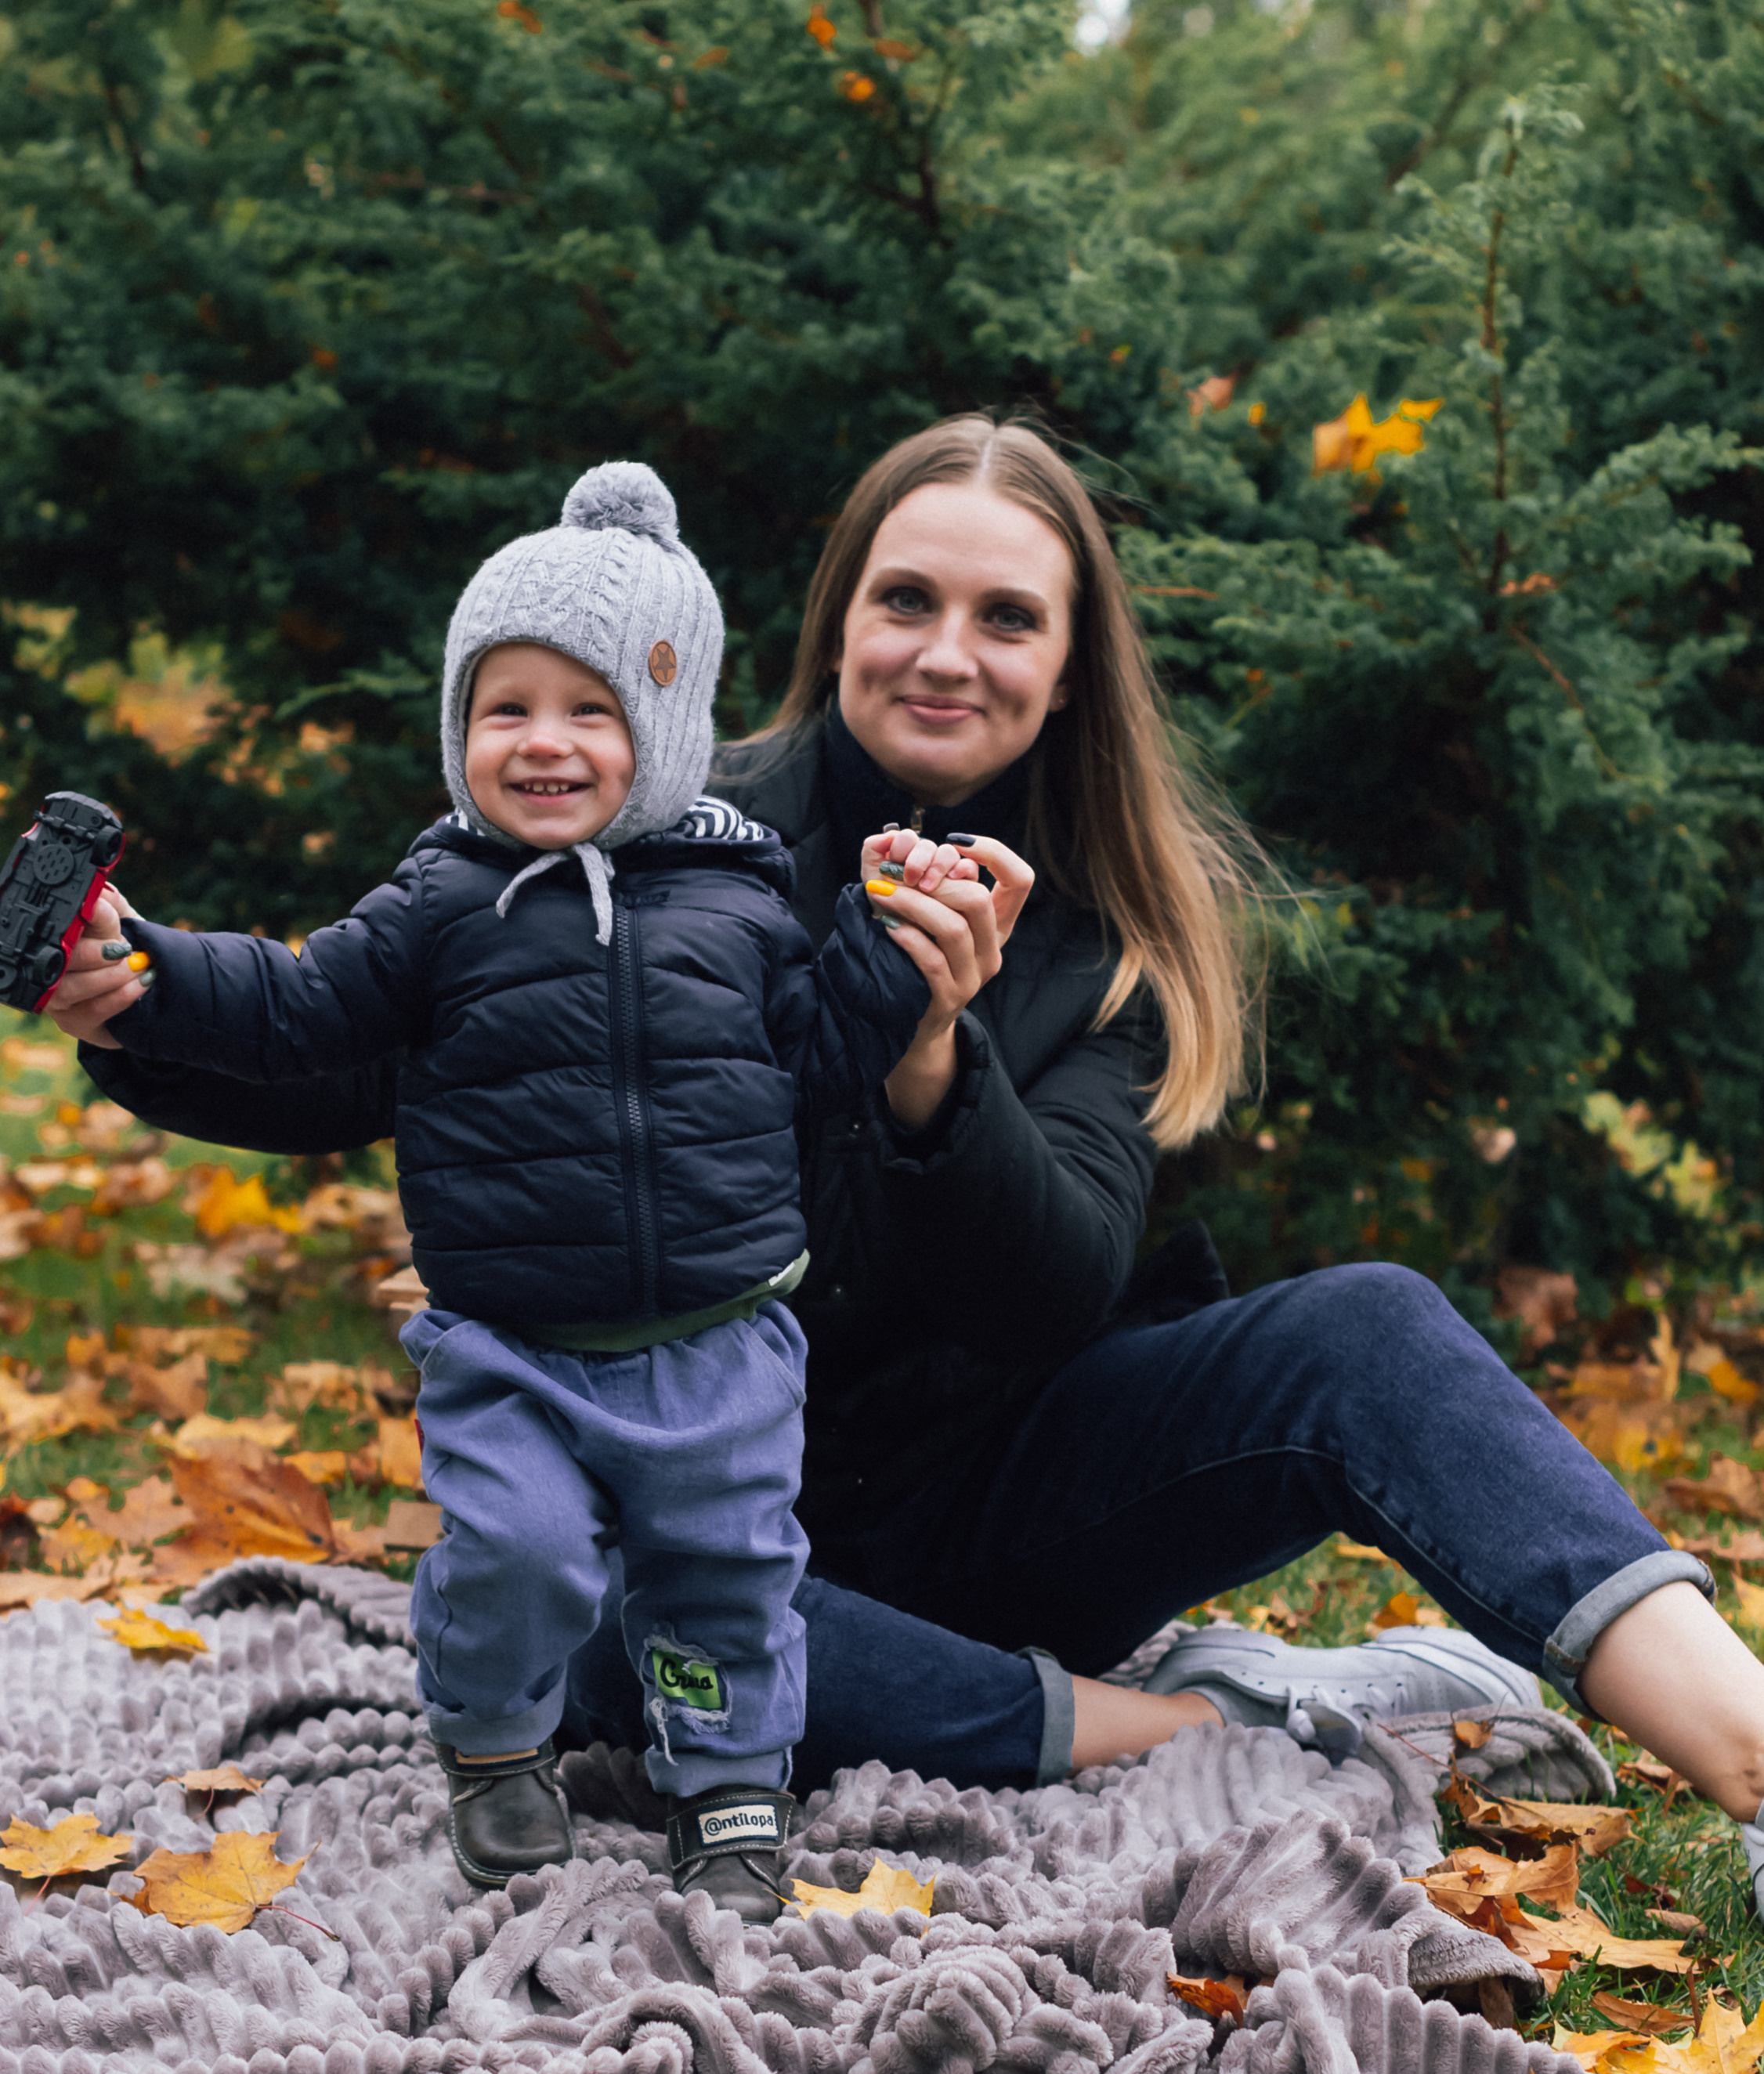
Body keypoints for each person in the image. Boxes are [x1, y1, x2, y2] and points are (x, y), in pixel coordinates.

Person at [53, 416, 1764, 1919]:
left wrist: (932, 1058)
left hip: (1008, 1489)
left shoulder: (1109, 932)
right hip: (705, 1499)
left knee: (1370, 1327)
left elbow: (1051, 1295)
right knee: (600, 1617)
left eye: (1007, 617)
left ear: (1070, 667)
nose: (949, 653)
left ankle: (1748, 1758)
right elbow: (346, 1047)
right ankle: (1220, 1719)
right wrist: (131, 1008)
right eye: (906, 601)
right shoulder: (650, 837)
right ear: (837, 628)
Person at [41, 459, 975, 1920]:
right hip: (511, 1348)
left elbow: (820, 1065)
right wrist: (145, 974)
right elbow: (296, 1007)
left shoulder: (742, 898)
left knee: (727, 1574)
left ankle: (731, 1779)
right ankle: (492, 1742)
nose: (543, 743)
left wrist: (892, 943)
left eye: (590, 710)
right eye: (505, 708)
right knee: (516, 1557)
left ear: (666, 727)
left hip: (722, 1343)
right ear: (459, 727)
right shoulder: (440, 902)